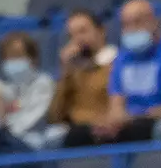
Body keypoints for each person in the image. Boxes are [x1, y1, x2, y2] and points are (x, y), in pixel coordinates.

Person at [69, 0, 161, 145]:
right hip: (130, 124)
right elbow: (116, 109)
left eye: (138, 22)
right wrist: (111, 122)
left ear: (155, 22)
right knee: (78, 135)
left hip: (159, 123)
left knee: (150, 128)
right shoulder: (122, 59)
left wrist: (134, 117)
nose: (132, 29)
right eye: (126, 24)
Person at [47, 10, 116, 138]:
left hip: (106, 129)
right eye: (72, 35)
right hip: (77, 132)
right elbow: (55, 116)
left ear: (101, 31)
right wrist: (65, 71)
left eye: (83, 31)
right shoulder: (72, 71)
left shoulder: (116, 64)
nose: (78, 39)